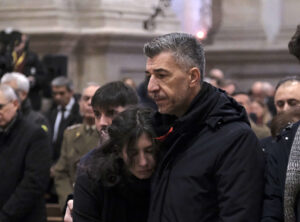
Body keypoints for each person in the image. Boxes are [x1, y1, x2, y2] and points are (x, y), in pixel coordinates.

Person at [144, 32, 264, 222]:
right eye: (149, 76)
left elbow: (238, 216)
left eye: (161, 75)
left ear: (193, 76)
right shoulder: (160, 130)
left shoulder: (235, 139)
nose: (151, 87)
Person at [63, 81, 138, 222]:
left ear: (131, 113)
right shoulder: (88, 165)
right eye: (97, 114)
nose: (102, 122)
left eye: (111, 113)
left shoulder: (148, 157)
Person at [72, 106, 158, 222]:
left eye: (149, 151)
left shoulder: (168, 177)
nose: (143, 162)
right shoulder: (92, 180)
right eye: (133, 153)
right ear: (119, 151)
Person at [0, 84, 51, 221]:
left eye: (0, 107)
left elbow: (34, 182)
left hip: (24, 216)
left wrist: (5, 215)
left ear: (15, 104)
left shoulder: (35, 134)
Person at [53, 83, 100, 211]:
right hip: (73, 204)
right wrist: (68, 201)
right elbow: (61, 172)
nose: (90, 103)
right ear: (79, 104)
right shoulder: (70, 134)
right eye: (86, 99)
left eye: (94, 99)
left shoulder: (108, 135)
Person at [47, 76, 82, 163]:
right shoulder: (52, 112)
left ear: (71, 92)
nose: (57, 97)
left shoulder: (80, 112)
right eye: (55, 94)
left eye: (62, 93)